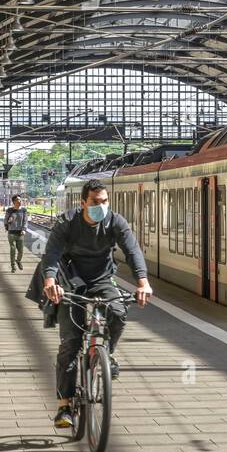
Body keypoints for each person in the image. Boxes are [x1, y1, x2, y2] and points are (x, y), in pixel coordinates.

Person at [39, 179, 152, 429]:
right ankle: (65, 406)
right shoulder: (67, 223)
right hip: (70, 280)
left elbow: (133, 251)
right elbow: (52, 254)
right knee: (70, 342)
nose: (101, 206)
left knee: (119, 310)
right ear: (83, 203)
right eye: (95, 202)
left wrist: (142, 282)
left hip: (101, 279)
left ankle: (106, 353)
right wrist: (50, 281)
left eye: (104, 201)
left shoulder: (115, 222)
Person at [4, 195, 28, 273]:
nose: (19, 201)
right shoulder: (9, 210)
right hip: (11, 233)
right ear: (14, 202)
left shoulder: (23, 210)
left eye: (20, 200)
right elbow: (5, 220)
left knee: (21, 251)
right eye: (18, 200)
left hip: (20, 233)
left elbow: (25, 221)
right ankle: (13, 266)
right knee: (13, 249)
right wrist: (8, 222)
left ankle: (18, 260)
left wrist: (24, 229)